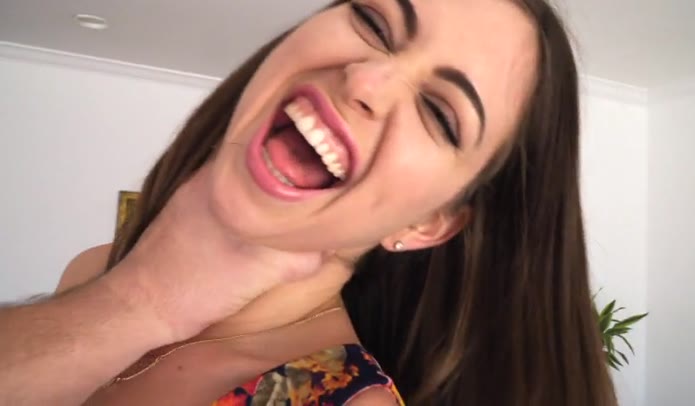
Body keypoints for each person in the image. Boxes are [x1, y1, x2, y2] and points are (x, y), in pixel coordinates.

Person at [0, 0, 618, 405]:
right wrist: (135, 303)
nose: (366, 79)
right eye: (374, 23)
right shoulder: (93, 269)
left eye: (439, 113)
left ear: (428, 223)